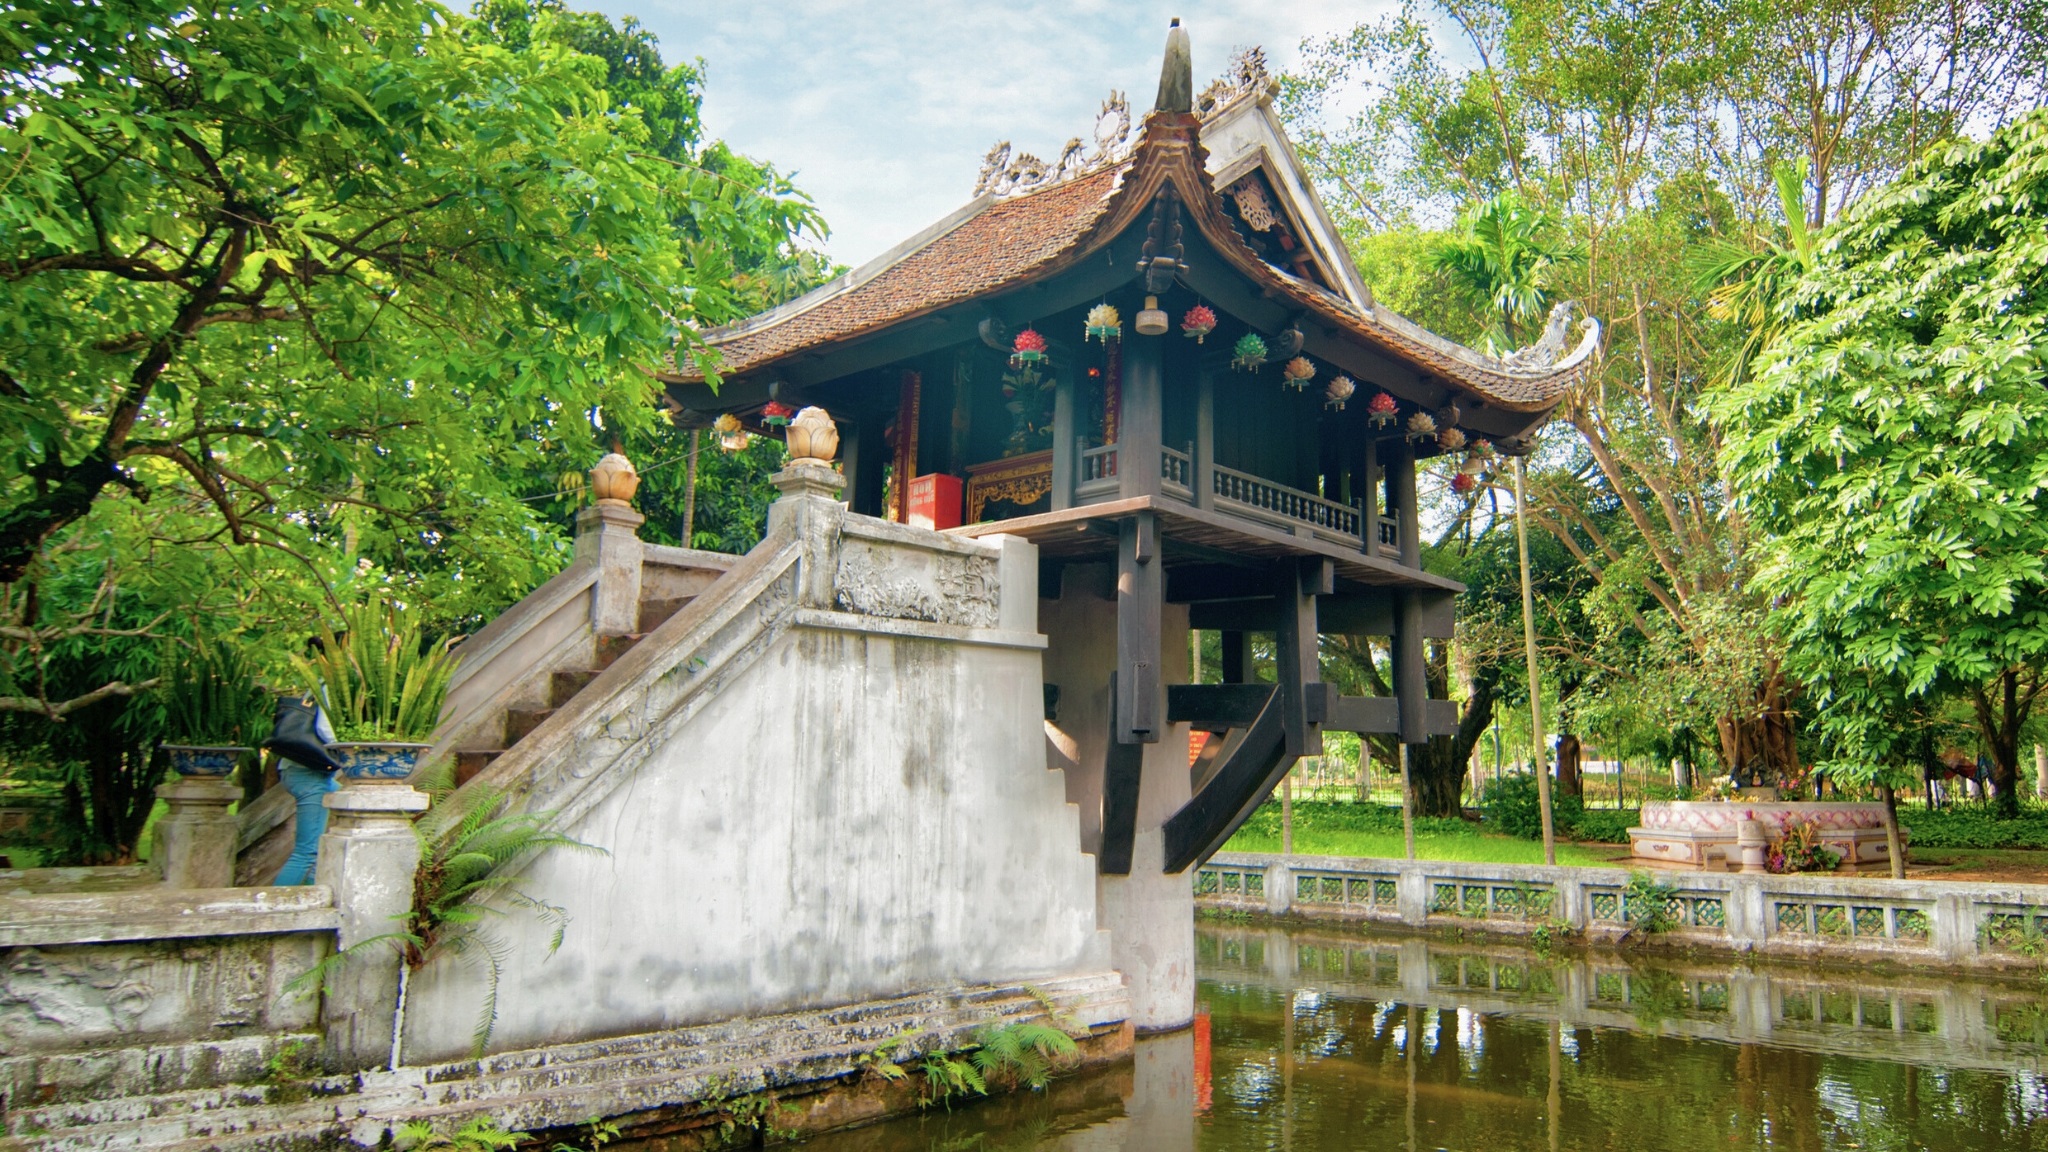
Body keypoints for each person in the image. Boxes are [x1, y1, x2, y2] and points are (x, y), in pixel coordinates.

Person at [272, 642, 341, 886]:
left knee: (316, 852)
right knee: (306, 853)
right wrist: (352, 749)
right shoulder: (331, 687)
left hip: (303, 772)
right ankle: (273, 912)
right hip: (308, 775)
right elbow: (326, 728)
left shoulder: (320, 685)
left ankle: (314, 895)